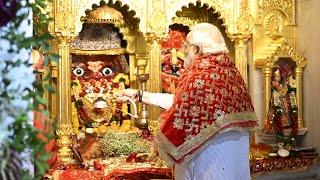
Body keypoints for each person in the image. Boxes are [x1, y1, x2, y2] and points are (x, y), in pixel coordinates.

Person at [116, 23, 258, 180]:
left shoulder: (200, 75)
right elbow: (187, 105)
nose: (183, 51)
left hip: (210, 165)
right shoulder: (229, 72)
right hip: (232, 165)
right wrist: (141, 95)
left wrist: (160, 139)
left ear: (197, 49)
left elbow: (183, 112)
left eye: (187, 47)